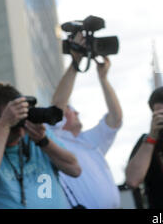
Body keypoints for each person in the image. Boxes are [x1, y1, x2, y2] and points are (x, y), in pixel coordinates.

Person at [0, 83, 81, 209]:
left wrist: (44, 142)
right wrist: (5, 124)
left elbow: (75, 169)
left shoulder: (38, 135)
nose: (20, 125)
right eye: (13, 118)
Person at [50, 32, 123, 209]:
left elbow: (115, 119)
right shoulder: (54, 140)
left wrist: (103, 79)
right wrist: (76, 60)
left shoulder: (88, 141)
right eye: (71, 110)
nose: (77, 112)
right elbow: (57, 105)